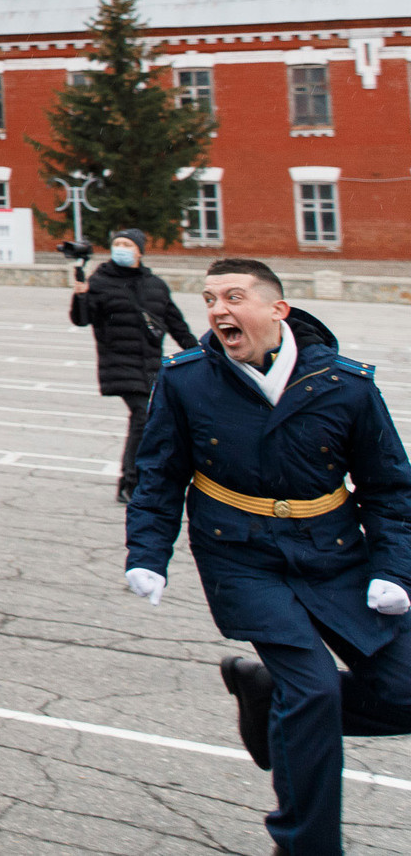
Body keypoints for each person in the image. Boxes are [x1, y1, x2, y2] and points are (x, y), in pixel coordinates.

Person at [124, 259, 411, 856]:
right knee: (313, 691)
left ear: (278, 309)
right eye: (209, 299)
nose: (218, 310)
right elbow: (159, 474)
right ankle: (305, 846)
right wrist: (148, 552)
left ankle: (264, 697)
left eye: (233, 297)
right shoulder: (186, 380)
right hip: (242, 559)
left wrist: (393, 570)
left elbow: (389, 488)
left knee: (402, 689)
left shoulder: (346, 385)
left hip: (335, 553)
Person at [72, 228, 199, 503]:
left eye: (127, 244)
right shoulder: (101, 281)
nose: (121, 248)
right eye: (117, 243)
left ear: (139, 250)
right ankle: (131, 482)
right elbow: (82, 319)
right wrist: (80, 294)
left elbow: (175, 322)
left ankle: (139, 479)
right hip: (119, 363)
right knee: (142, 416)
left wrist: (198, 353)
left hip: (150, 364)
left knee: (153, 419)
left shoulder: (155, 284)